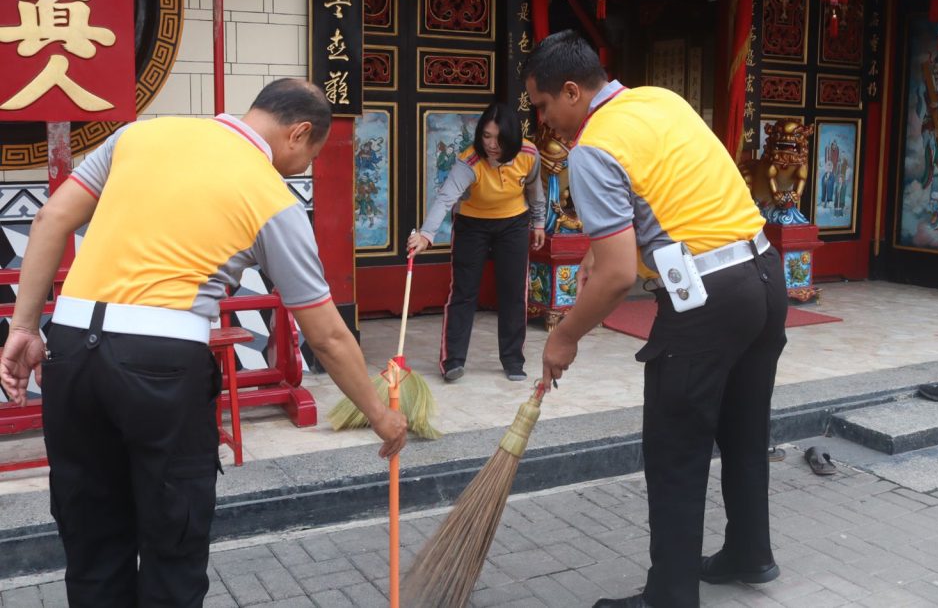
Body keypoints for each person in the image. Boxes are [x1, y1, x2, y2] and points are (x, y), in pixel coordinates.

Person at [0, 79, 408, 607]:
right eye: (308, 155)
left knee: (92, 540)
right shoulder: (270, 196)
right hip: (160, 367)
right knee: (173, 543)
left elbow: (50, 217)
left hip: (71, 349)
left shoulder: (138, 136)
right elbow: (327, 334)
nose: (301, 168)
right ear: (299, 132)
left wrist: (25, 328)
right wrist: (380, 415)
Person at [525, 30, 787, 608]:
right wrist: (600, 246)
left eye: (544, 106)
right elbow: (670, 192)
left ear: (572, 91)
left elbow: (618, 277)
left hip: (707, 301)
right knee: (744, 432)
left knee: (674, 450)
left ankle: (669, 596)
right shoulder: (658, 99)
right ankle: (750, 553)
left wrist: (564, 336)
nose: (545, 124)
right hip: (765, 275)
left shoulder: (591, 149)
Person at [408, 102, 546, 382]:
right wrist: (426, 234)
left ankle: (513, 360)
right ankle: (453, 361)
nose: (492, 144)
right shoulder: (470, 160)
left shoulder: (529, 154)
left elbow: (534, 189)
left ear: (513, 138)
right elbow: (446, 198)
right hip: (472, 225)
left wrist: (539, 222)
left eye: (499, 138)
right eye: (486, 136)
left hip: (514, 223)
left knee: (513, 291)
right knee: (463, 292)